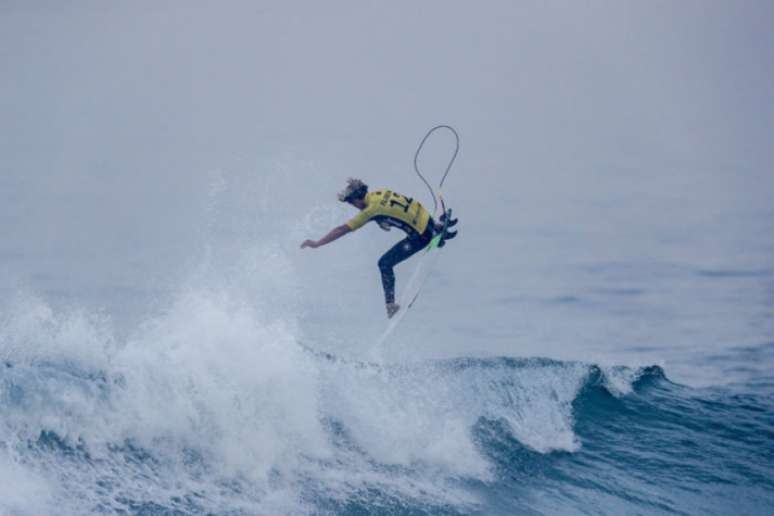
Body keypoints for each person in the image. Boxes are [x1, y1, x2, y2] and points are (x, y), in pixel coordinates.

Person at [301, 178, 457, 318]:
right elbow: (395, 208)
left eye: (352, 203)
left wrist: (317, 244)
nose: (354, 207)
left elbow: (342, 229)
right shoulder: (380, 193)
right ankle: (436, 226)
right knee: (407, 227)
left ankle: (390, 305)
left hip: (422, 236)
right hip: (428, 219)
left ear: (357, 199)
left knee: (384, 264)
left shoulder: (370, 211)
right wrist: (379, 220)